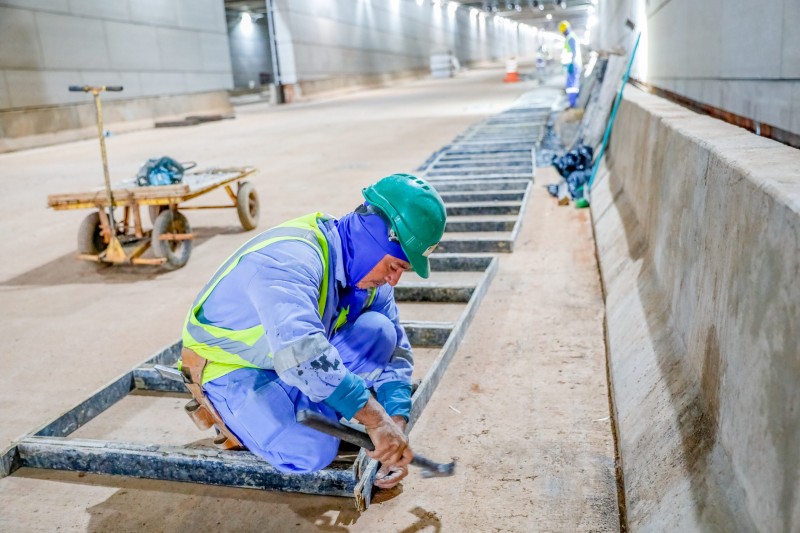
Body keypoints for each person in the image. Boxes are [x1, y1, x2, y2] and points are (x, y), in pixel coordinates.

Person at [179, 173, 447, 489]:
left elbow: (396, 351)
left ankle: (316, 397)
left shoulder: (367, 273)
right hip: (232, 368)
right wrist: (375, 419)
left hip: (283, 359)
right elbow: (303, 355)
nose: (394, 280)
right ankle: (235, 417)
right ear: (372, 239)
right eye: (394, 266)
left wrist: (395, 423)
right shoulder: (288, 261)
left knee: (380, 332)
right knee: (312, 450)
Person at [559, 21, 582, 108]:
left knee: (572, 85)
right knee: (571, 84)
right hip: (571, 65)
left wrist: (571, 64)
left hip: (573, 65)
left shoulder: (571, 38)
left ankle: (573, 104)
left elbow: (574, 52)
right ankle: (572, 102)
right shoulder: (569, 38)